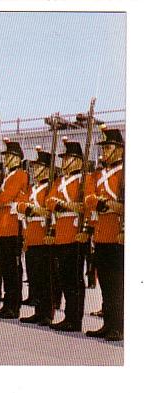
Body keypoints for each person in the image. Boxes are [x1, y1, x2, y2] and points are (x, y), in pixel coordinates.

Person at [84, 127, 124, 341]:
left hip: (117, 233)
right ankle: (108, 323)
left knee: (117, 283)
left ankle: (118, 325)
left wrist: (112, 205)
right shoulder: (98, 174)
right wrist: (104, 203)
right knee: (106, 283)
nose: (104, 152)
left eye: (108, 147)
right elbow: (89, 197)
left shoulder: (125, 172)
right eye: (104, 147)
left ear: (119, 150)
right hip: (101, 234)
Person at [45, 138, 89, 332]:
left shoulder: (84, 179)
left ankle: (75, 318)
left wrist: (86, 229)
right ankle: (68, 317)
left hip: (75, 232)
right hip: (61, 231)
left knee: (74, 279)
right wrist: (65, 204)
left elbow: (86, 205)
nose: (64, 162)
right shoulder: (60, 180)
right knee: (64, 277)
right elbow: (49, 201)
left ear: (79, 161)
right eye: (64, 159)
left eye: (69, 158)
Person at [0, 139, 29, 319]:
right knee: (6, 269)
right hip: (5, 228)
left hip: (14, 228)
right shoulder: (8, 176)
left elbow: (4, 198)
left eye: (8, 156)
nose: (5, 159)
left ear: (16, 158)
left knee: (13, 270)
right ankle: (8, 304)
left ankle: (14, 306)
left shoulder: (20, 174)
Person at [17, 146, 55, 325]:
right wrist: (32, 208)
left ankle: (47, 313)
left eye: (38, 167)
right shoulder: (33, 189)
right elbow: (21, 205)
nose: (35, 171)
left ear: (47, 170)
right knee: (34, 277)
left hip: (43, 237)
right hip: (32, 237)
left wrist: (34, 209)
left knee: (45, 278)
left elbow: (49, 210)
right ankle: (38, 311)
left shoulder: (51, 187)